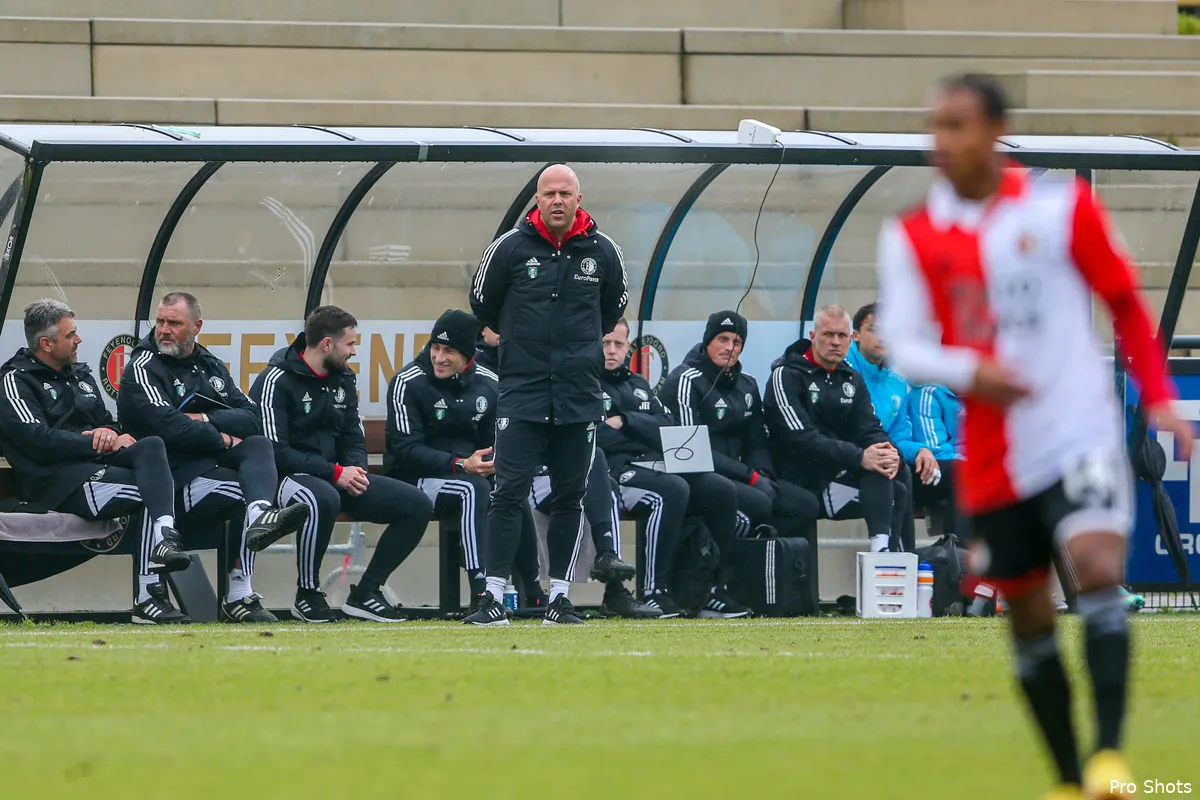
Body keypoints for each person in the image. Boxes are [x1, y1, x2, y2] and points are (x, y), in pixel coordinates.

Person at [876, 73, 1194, 800]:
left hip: (1076, 426)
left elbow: (1121, 297)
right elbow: (904, 341)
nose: (942, 142)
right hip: (993, 448)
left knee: (1095, 564)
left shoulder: (1061, 210)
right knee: (1024, 611)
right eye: (936, 126)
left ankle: (1110, 758)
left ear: (994, 131)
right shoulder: (913, 233)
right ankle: (1066, 778)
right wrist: (971, 371)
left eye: (956, 126)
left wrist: (1161, 396)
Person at [467, 163, 628, 626]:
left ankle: (560, 598)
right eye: (548, 193)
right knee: (508, 492)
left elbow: (612, 308)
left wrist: (575, 350)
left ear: (579, 199)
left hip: (579, 393)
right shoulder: (511, 247)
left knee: (569, 497)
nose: (557, 200)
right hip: (523, 389)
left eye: (565, 193)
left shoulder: (602, 250)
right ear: (536, 200)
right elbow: (483, 303)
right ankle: (493, 597)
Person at [119, 292, 309, 623]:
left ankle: (246, 568)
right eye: (160, 321)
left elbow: (252, 418)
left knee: (259, 446)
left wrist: (204, 419)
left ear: (197, 326)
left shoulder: (209, 365)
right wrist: (221, 436)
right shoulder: (143, 365)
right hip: (173, 477)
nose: (164, 329)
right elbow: (167, 427)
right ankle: (229, 586)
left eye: (174, 323)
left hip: (211, 467)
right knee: (244, 492)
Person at [0, 300, 190, 623]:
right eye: (71, 335)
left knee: (151, 446)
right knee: (152, 492)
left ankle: (165, 537)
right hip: (60, 484)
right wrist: (92, 441)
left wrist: (114, 435)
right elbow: (38, 440)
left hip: (99, 469)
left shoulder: (80, 375)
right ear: (46, 344)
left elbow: (109, 424)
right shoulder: (15, 380)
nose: (79, 340)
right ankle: (148, 598)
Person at [252, 305, 434, 623]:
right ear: (327, 344)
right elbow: (274, 451)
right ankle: (307, 594)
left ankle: (366, 593)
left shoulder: (343, 378)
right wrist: (335, 472)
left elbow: (354, 434)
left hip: (337, 477)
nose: (353, 351)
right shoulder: (276, 379)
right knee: (323, 497)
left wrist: (355, 469)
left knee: (416, 504)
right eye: (349, 344)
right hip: (287, 478)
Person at [661, 311, 820, 617]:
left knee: (803, 503)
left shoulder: (746, 384)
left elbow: (757, 439)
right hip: (698, 476)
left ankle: (767, 585)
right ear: (708, 341)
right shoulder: (684, 379)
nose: (729, 347)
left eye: (736, 341)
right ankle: (714, 588)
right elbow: (688, 451)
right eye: (722, 339)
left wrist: (765, 474)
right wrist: (750, 477)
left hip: (743, 478)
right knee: (750, 501)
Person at [600, 317, 741, 618]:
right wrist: (640, 433)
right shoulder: (584, 383)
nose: (611, 350)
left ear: (628, 347)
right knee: (673, 489)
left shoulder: (638, 384)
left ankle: (711, 590)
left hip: (653, 465)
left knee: (721, 490)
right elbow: (598, 436)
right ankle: (654, 591)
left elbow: (669, 427)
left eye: (619, 344)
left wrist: (627, 422)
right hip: (612, 472)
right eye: (605, 343)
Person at [763, 305, 910, 554]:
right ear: (812, 337)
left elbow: (869, 428)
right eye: (828, 335)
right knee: (885, 480)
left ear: (850, 338)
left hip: (835, 475)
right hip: (798, 479)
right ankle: (885, 557)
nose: (835, 342)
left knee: (893, 478)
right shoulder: (786, 375)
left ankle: (885, 555)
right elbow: (801, 438)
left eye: (841, 336)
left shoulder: (851, 378)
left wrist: (888, 451)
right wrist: (860, 457)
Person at [385, 309, 496, 602]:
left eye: (449, 350)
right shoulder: (407, 382)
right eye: (435, 347)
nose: (439, 357)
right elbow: (405, 450)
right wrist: (460, 464)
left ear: (469, 355)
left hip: (468, 475)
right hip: (414, 479)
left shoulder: (489, 383)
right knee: (474, 490)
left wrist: (491, 461)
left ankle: (531, 592)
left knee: (510, 491)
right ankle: (481, 591)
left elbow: (497, 438)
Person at [844, 301, 936, 549]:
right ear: (856, 336)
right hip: (847, 458)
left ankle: (924, 559)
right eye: (874, 329)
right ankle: (892, 552)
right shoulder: (843, 369)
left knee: (946, 476)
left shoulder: (897, 378)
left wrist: (919, 450)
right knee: (897, 467)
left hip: (883, 457)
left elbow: (898, 435)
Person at [529, 448, 660, 619]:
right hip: (535, 476)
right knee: (593, 466)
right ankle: (614, 582)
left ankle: (610, 563)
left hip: (568, 471)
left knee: (602, 473)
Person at [907, 381, 964, 536]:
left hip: (968, 465)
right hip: (933, 467)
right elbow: (936, 450)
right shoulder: (927, 393)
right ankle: (958, 548)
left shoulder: (985, 394)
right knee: (962, 474)